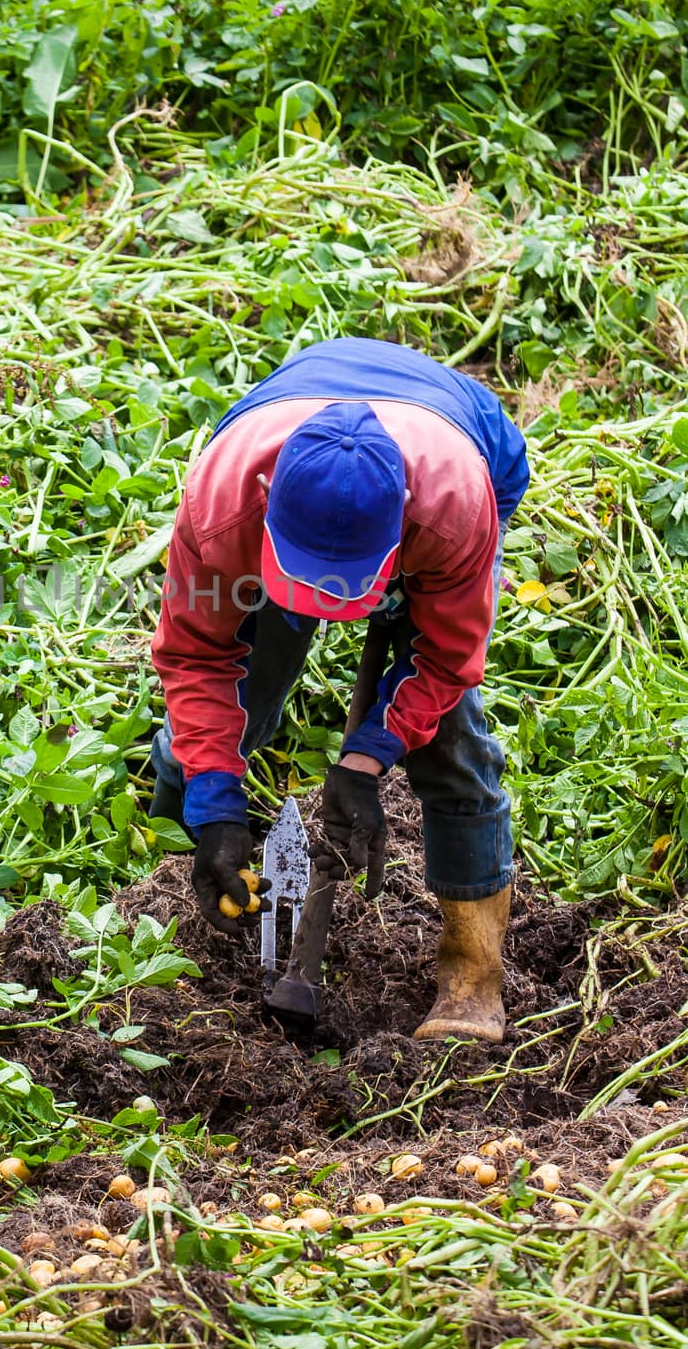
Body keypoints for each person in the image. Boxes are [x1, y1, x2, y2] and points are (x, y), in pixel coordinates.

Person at [149, 337, 530, 1043]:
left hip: (459, 454)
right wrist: (215, 804)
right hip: (283, 459)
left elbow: (446, 658)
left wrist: (368, 757)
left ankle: (472, 974)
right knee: (236, 709)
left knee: (448, 744)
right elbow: (195, 655)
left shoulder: (450, 509)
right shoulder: (223, 503)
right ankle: (182, 876)